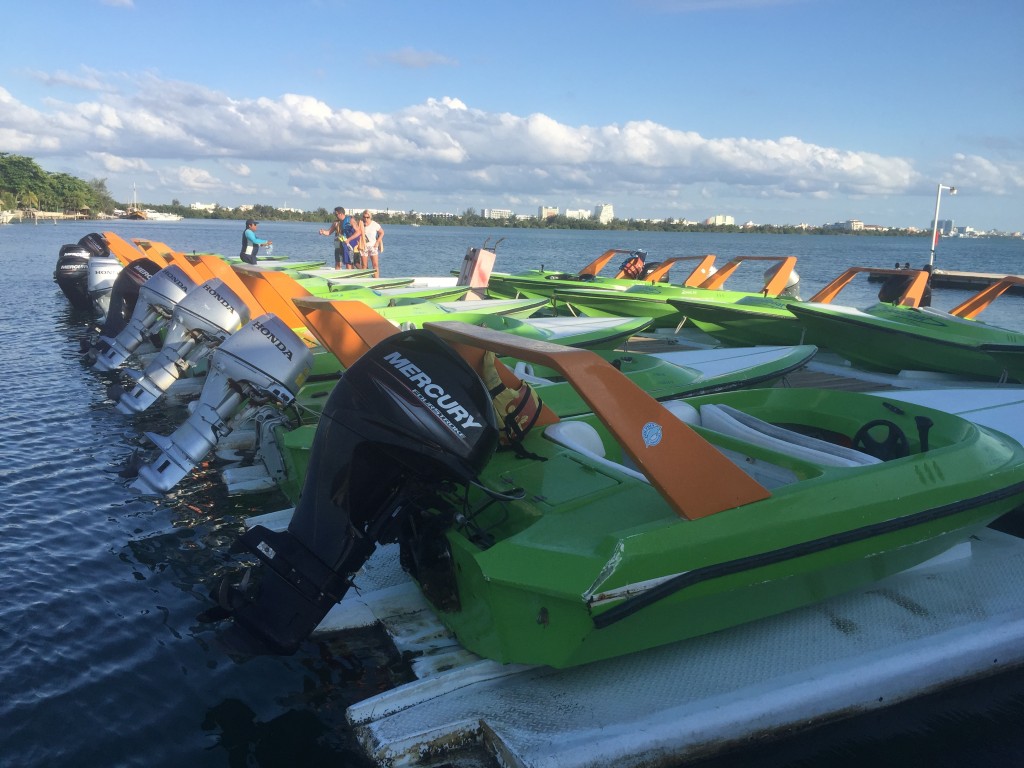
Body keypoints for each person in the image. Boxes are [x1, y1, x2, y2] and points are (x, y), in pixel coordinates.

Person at [360, 210, 384, 277]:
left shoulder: (374, 224)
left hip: (373, 246)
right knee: (364, 265)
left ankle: (376, 279)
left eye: (367, 217)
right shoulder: (361, 224)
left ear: (370, 217)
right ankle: (365, 278)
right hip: (364, 246)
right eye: (364, 217)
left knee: (375, 265)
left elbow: (382, 233)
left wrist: (377, 242)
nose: (366, 219)